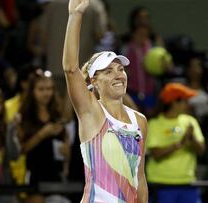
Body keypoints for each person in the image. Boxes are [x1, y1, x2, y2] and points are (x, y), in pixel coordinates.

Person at [62, 0, 148, 202]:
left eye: (120, 69)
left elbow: (140, 179)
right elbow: (70, 68)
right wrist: (75, 16)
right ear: (94, 82)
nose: (118, 75)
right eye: (108, 71)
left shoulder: (140, 120)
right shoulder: (91, 112)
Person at [146, 83, 205, 203]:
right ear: (174, 102)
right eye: (184, 101)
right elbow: (156, 154)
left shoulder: (190, 121)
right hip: (161, 184)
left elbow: (201, 151)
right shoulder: (154, 124)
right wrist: (180, 144)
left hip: (188, 183)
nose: (188, 104)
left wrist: (192, 138)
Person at [18, 69, 70, 203]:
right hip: (34, 176)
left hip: (56, 176)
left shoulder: (57, 114)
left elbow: (66, 147)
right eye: (41, 89)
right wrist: (42, 134)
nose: (46, 93)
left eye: (49, 89)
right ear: (32, 91)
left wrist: (66, 151)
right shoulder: (25, 116)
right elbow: (21, 149)